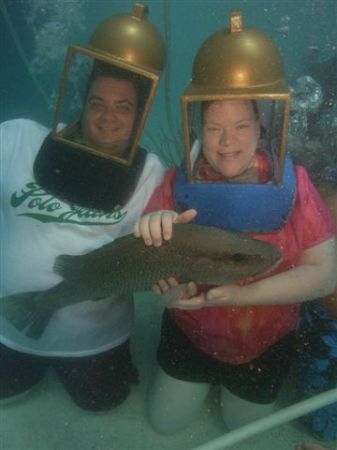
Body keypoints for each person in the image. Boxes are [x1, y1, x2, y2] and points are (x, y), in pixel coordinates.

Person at [134, 98, 337, 433]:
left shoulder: (296, 184)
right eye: (214, 129)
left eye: (241, 126)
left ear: (261, 127)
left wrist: (242, 296)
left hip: (266, 344)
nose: (227, 141)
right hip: (191, 334)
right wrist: (155, 232)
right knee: (165, 424)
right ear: (198, 130)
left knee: (243, 430)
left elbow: (325, 276)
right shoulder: (174, 184)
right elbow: (156, 282)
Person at [0, 4, 166, 411]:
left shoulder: (151, 173)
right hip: (9, 326)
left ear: (141, 113)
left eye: (123, 106)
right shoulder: (19, 138)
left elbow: (159, 251)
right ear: (82, 101)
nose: (108, 118)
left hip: (94, 337)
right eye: (97, 102)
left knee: (104, 403)